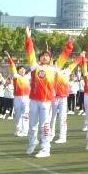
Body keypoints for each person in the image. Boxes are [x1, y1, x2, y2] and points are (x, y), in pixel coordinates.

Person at [24, 28, 61, 158]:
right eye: (43, 55)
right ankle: (32, 142)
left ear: (50, 59)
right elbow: (30, 52)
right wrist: (28, 38)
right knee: (32, 124)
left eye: (48, 56)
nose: (45, 57)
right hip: (34, 100)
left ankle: (46, 148)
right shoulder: (35, 67)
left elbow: (64, 57)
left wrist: (69, 44)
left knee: (45, 125)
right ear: (40, 58)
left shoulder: (54, 69)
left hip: (46, 102)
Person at [4, 52, 31, 137]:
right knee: (17, 114)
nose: (22, 70)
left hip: (26, 97)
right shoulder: (16, 77)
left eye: (24, 69)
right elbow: (12, 67)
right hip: (17, 97)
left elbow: (34, 67)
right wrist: (9, 58)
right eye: (21, 69)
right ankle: (17, 130)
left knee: (25, 114)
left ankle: (25, 131)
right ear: (18, 71)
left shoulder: (28, 76)